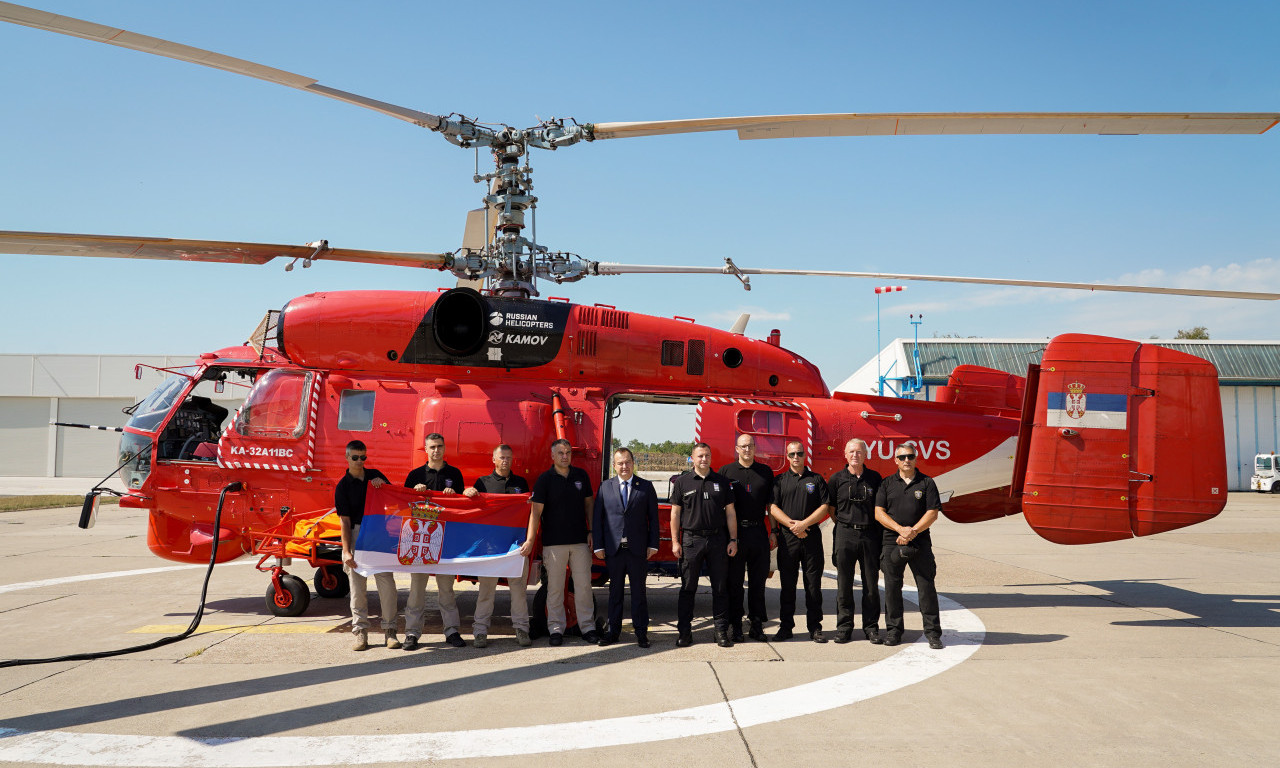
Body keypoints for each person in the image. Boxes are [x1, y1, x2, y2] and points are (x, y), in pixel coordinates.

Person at [520, 438, 601, 646]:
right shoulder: (545, 480)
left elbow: (589, 506)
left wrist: (592, 531)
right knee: (555, 588)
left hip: (580, 542)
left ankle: (588, 628)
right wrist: (530, 539)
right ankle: (555, 629)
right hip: (554, 544)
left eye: (568, 453)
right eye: (561, 453)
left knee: (583, 587)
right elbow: (535, 513)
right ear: (552, 456)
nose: (565, 456)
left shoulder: (580, 476)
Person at [461, 444, 533, 648]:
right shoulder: (482, 483)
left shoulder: (521, 483)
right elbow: (472, 511)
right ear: (493, 459)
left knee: (518, 591)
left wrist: (527, 541)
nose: (505, 461)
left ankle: (521, 629)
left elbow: (528, 513)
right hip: (490, 549)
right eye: (501, 457)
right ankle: (480, 631)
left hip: (515, 547)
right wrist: (468, 493)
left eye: (509, 458)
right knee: (486, 592)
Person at [874, 444, 944, 649]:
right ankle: (894, 631)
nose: (906, 460)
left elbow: (932, 513)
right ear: (895, 460)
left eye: (910, 456)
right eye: (902, 457)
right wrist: (900, 530)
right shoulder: (886, 484)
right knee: (892, 589)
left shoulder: (927, 483)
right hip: (891, 542)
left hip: (920, 541)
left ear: (916, 459)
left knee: (926, 588)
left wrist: (912, 532)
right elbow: (879, 513)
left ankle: (933, 633)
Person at [401, 432, 467, 651]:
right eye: (432, 447)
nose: (436, 450)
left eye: (439, 446)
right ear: (425, 449)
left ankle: (452, 631)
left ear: (444, 448)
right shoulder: (415, 475)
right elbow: (404, 506)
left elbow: (461, 509)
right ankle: (411, 633)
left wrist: (454, 495)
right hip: (420, 541)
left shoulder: (455, 474)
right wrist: (414, 493)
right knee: (417, 589)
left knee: (446, 589)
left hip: (444, 540)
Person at [669, 442, 738, 647]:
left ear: (711, 458)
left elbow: (731, 513)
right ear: (692, 458)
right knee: (688, 588)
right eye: (699, 456)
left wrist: (733, 539)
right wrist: (675, 541)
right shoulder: (682, 482)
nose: (703, 459)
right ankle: (685, 633)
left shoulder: (722, 482)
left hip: (718, 540)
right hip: (691, 540)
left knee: (719, 588)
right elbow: (675, 513)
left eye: (707, 455)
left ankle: (720, 632)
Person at [334, 440, 400, 651]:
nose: (360, 461)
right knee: (357, 587)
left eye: (363, 457)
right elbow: (344, 521)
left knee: (387, 584)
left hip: (378, 532)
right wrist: (346, 551)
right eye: (355, 457)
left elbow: (395, 499)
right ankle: (360, 632)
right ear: (347, 458)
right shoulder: (342, 487)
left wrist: (384, 485)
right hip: (356, 532)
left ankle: (390, 631)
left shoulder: (374, 476)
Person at [592, 448, 660, 648]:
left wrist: (653, 544)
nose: (624, 466)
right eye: (620, 463)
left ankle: (641, 633)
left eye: (627, 462)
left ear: (633, 462)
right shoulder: (605, 487)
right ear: (614, 465)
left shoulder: (645, 487)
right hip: (614, 550)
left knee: (639, 593)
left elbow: (653, 520)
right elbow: (598, 520)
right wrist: (598, 546)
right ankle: (613, 632)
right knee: (615, 592)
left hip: (637, 550)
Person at [769, 440, 832, 642]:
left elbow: (825, 507)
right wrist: (792, 526)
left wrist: (804, 524)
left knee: (813, 586)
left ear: (805, 455)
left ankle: (815, 627)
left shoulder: (816, 479)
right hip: (788, 540)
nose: (796, 457)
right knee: (787, 586)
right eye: (792, 454)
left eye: (799, 453)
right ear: (786, 457)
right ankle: (786, 627)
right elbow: (772, 507)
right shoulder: (779, 481)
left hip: (811, 537)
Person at [827, 438, 884, 644]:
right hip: (845, 534)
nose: (855, 455)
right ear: (845, 454)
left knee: (871, 584)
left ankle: (871, 628)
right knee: (844, 584)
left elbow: (880, 507)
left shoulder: (875, 478)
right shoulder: (836, 479)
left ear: (865, 454)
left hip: (869, 535)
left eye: (859, 452)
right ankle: (844, 627)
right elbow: (832, 510)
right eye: (851, 452)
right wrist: (846, 524)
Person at [718, 434, 775, 642]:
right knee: (734, 583)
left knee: (758, 584)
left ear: (755, 447)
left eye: (750, 446)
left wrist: (774, 532)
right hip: (735, 535)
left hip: (759, 532)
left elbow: (771, 506)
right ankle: (736, 626)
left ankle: (757, 625)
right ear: (737, 449)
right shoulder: (726, 472)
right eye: (743, 446)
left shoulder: (765, 472)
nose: (747, 450)